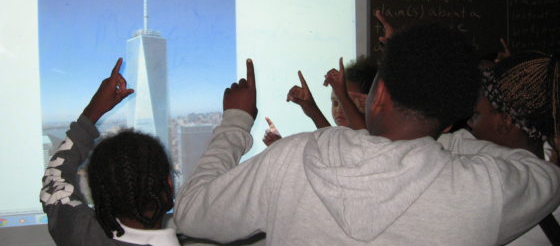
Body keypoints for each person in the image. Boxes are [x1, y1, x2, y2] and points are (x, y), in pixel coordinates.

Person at [174, 25, 560, 245]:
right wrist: (446, 138)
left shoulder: (294, 159)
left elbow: (190, 214)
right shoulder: (485, 189)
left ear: (379, 98)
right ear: (449, 121)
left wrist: (236, 120)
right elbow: (544, 174)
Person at [40, 58, 180, 246]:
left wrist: (92, 113)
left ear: (97, 193)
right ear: (169, 185)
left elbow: (55, 178)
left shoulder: (80, 233)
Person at [466, 51, 560, 245]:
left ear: (505, 121)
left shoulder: (495, 194)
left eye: (476, 115)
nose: (470, 123)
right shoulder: (550, 157)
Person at [263, 56, 376, 145]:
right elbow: (332, 145)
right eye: (335, 103)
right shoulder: (341, 140)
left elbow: (366, 142)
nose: (338, 109)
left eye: (345, 101)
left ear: (368, 101)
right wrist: (279, 146)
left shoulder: (379, 137)